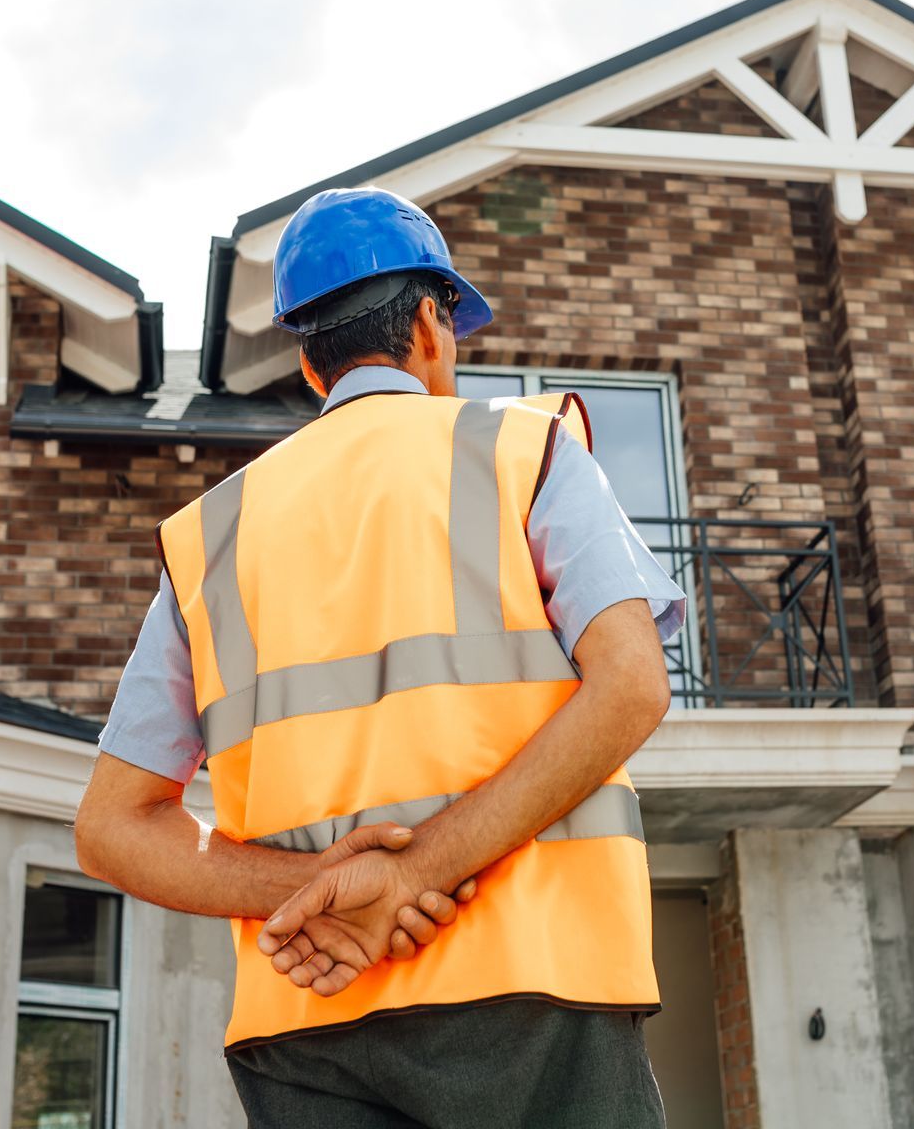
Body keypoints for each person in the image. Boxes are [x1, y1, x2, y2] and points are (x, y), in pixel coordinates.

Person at [74, 186, 686, 1127]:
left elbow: (112, 828)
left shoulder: (209, 536)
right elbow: (632, 686)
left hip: (307, 1026)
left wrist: (316, 893)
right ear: (434, 328)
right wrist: (410, 874)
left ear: (313, 368)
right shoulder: (526, 449)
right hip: (536, 987)